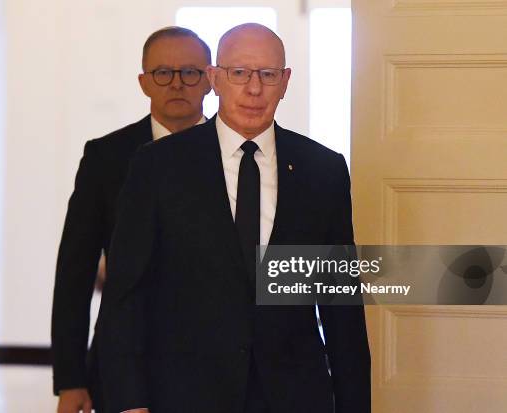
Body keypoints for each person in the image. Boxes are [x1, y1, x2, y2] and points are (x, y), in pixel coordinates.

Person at [96, 23, 370, 413]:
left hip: (294, 395)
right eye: (239, 73)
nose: (254, 89)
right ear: (215, 79)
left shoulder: (322, 170)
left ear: (285, 81)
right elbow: (126, 296)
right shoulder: (159, 166)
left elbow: (340, 306)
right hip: (183, 394)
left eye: (268, 75)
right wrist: (130, 401)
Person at [51, 26, 212, 413]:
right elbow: (75, 270)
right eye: (163, 73)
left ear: (211, 80)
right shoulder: (106, 158)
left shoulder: (239, 155)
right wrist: (71, 380)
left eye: (190, 72)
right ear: (144, 82)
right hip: (123, 360)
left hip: (216, 362)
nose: (176, 84)